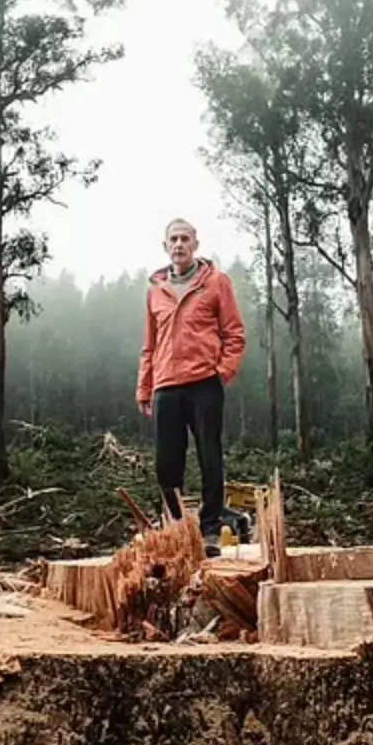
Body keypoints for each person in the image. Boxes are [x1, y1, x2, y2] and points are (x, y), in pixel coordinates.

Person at [136, 218, 246, 554]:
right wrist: (144, 387)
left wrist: (222, 372)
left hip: (204, 384)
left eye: (185, 239)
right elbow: (149, 345)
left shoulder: (216, 282)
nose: (179, 245)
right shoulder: (155, 291)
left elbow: (234, 333)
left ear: (196, 244)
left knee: (210, 456)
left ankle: (211, 527)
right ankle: (175, 528)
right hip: (166, 385)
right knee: (166, 463)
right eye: (173, 239)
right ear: (165, 246)